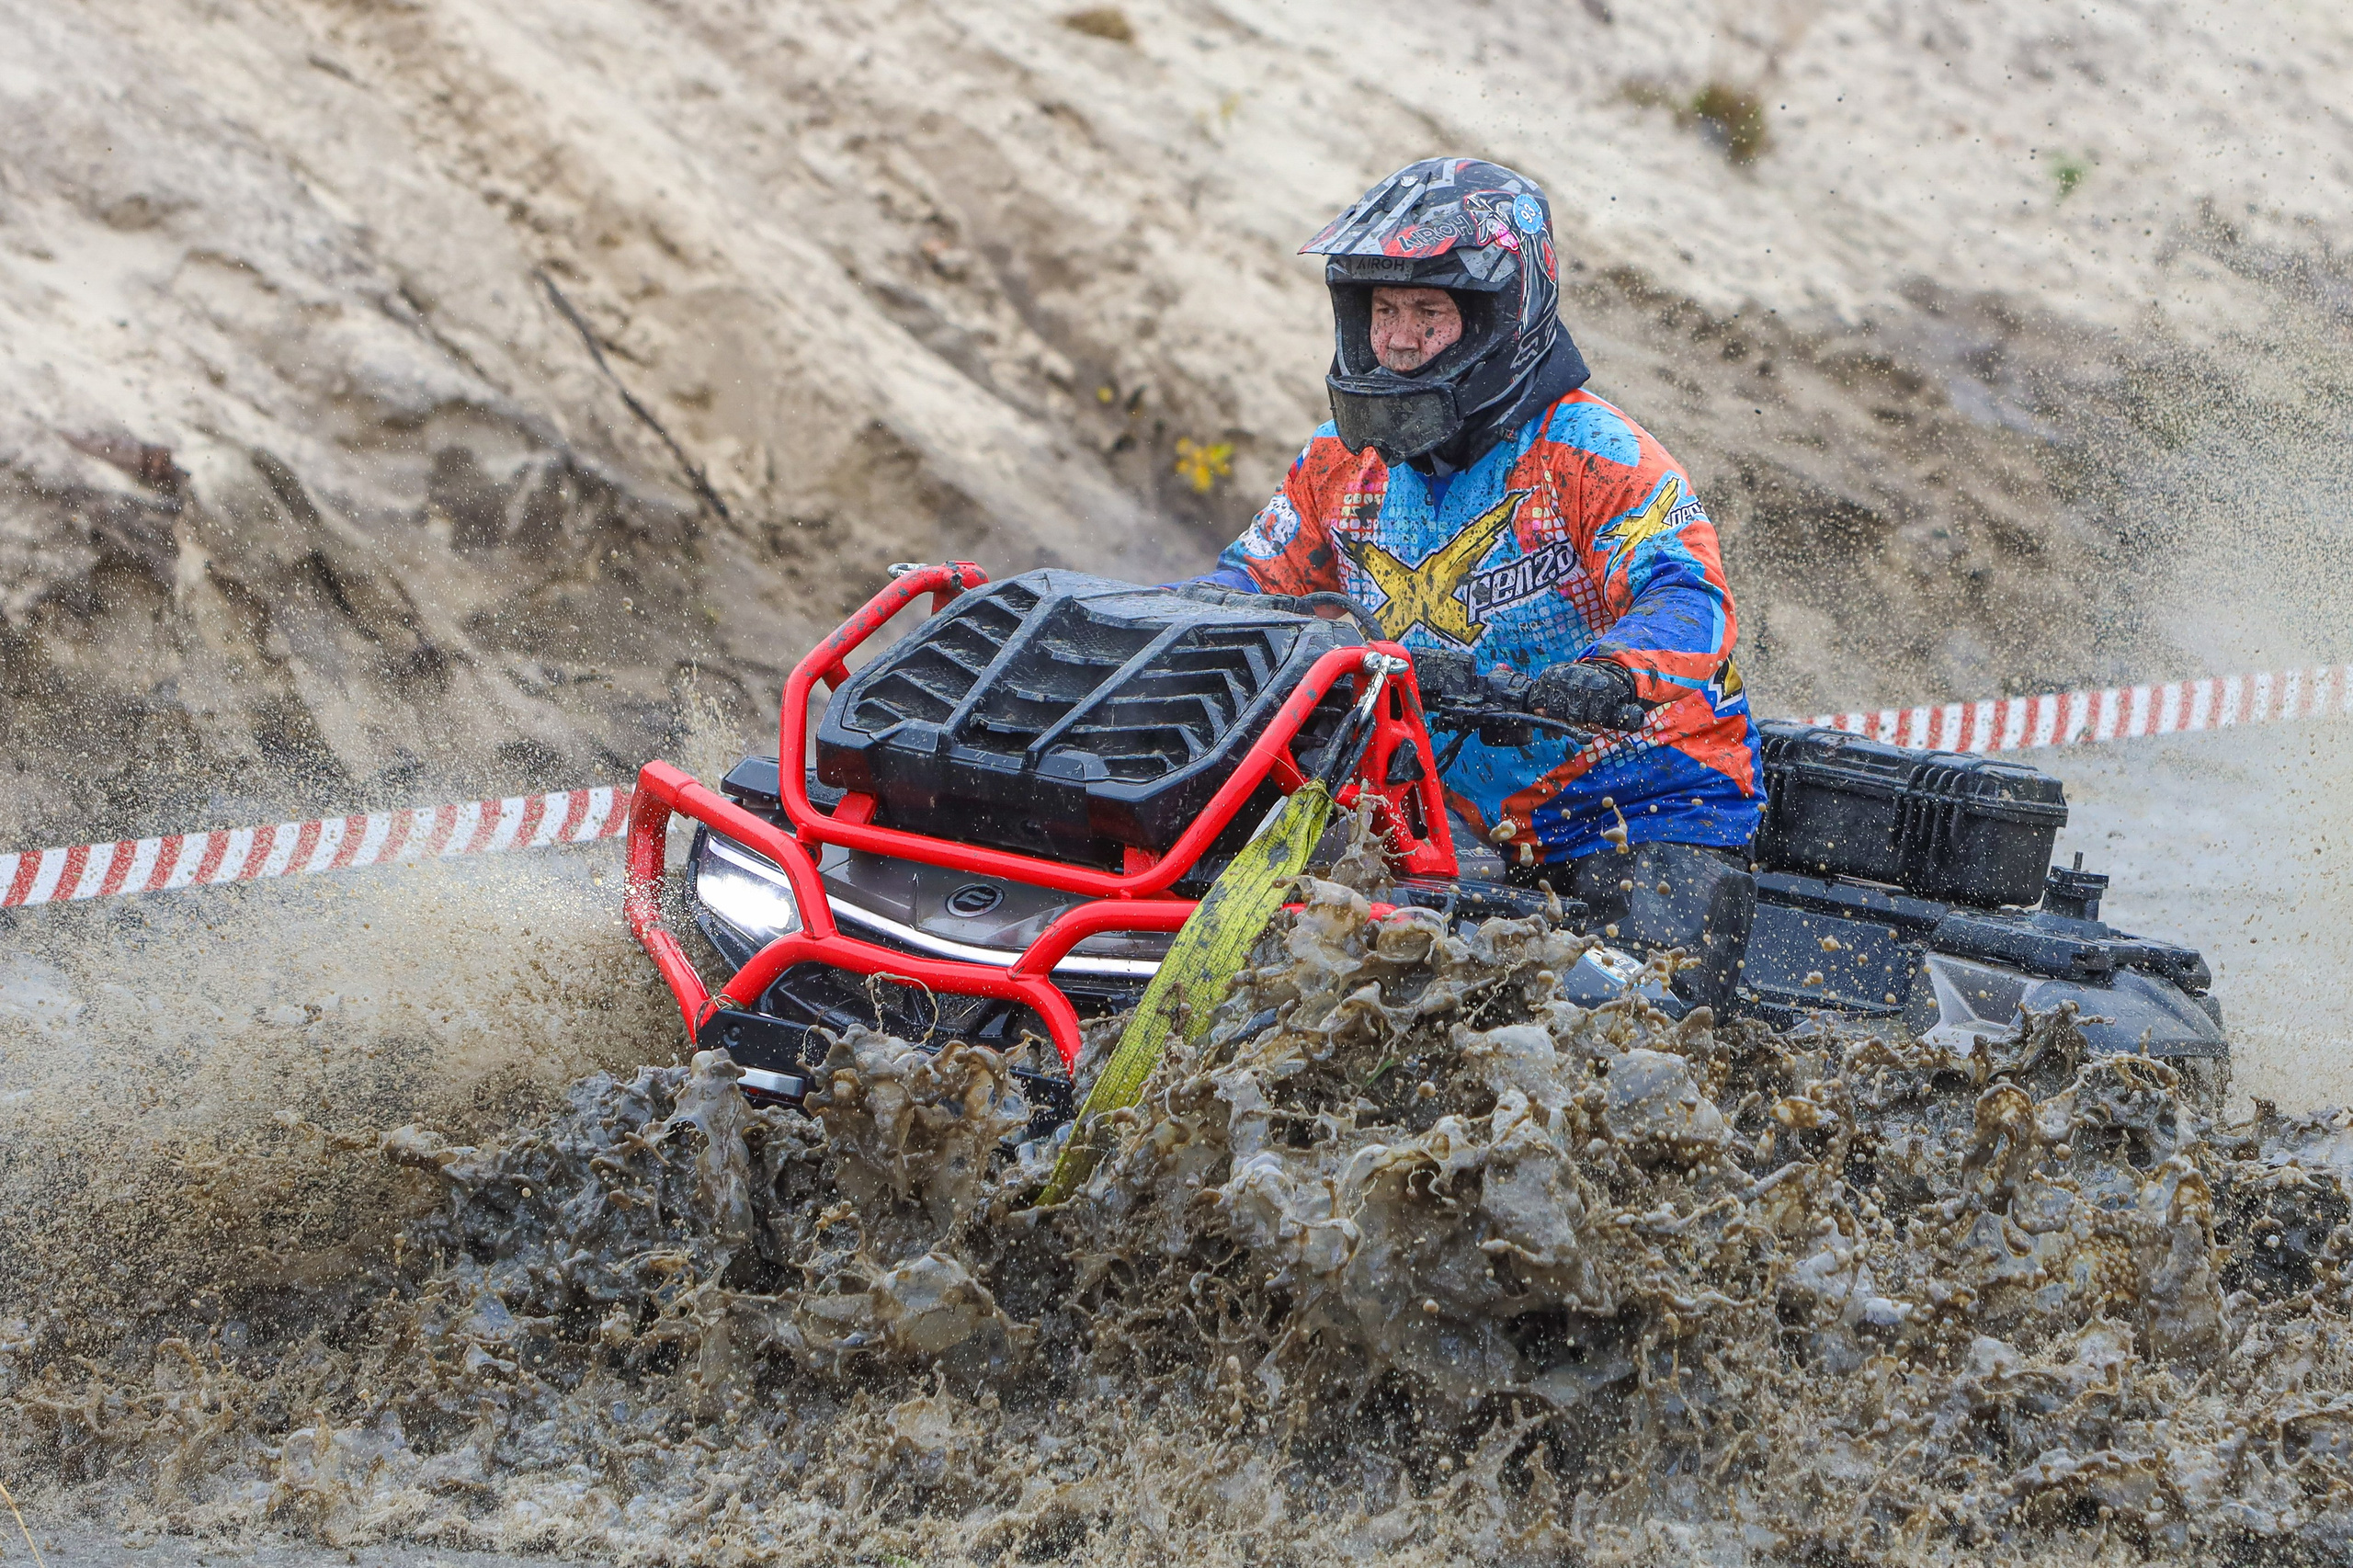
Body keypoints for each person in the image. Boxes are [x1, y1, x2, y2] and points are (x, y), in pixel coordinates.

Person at [1199, 157, 1761, 1011]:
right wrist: (1156, 622)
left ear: (1503, 317)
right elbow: (1245, 584)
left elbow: (1689, 601)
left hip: (1637, 807)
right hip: (1435, 813)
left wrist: (1600, 677)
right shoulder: (1336, 459)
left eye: (1428, 311)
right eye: (1382, 310)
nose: (1397, 337)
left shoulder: (1594, 454)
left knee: (1639, 1033)